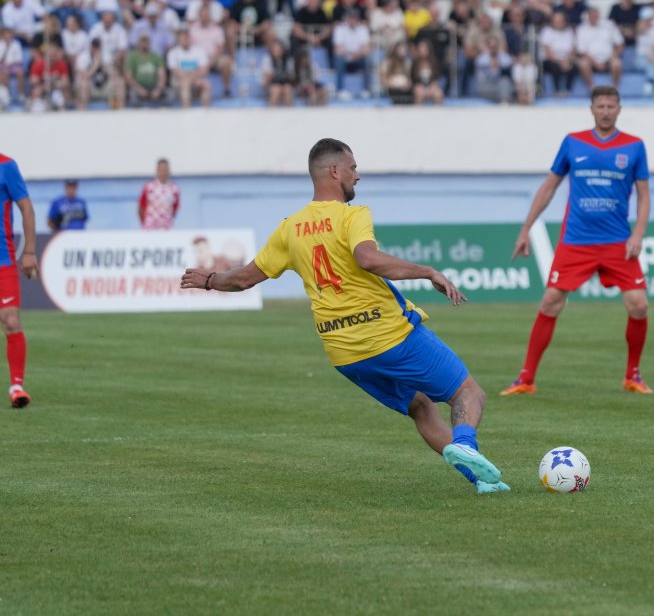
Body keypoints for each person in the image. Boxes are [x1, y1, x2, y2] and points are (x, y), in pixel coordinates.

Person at [179, 138, 509, 494]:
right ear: (335, 171)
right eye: (353, 168)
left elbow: (243, 278)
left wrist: (209, 279)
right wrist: (428, 271)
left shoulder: (290, 228)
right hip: (389, 336)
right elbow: (367, 257)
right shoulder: (353, 215)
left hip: (345, 354)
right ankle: (466, 447)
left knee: (420, 407)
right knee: (468, 393)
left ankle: (482, 482)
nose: (358, 175)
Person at [501, 86, 651, 396]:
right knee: (550, 301)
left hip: (616, 241)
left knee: (638, 304)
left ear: (619, 109)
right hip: (576, 241)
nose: (606, 111)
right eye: (601, 105)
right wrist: (526, 228)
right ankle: (526, 379)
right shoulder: (573, 143)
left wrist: (637, 234)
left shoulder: (634, 147)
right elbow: (549, 188)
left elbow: (644, 195)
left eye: (611, 105)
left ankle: (633, 376)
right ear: (592, 109)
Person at [0, 155, 36, 408]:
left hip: (3, 260)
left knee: (11, 319)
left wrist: (30, 252)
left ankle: (16, 387)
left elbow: (26, 208)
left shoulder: (7, 166)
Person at [138, 158, 180, 230]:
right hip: (150, 228)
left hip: (166, 228)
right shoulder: (149, 187)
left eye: (165, 170)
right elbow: (141, 207)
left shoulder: (174, 189)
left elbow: (175, 209)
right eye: (161, 170)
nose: (163, 172)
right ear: (157, 170)